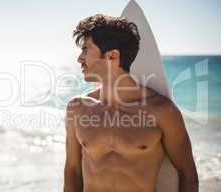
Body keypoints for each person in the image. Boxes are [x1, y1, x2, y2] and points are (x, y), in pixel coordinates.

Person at [63, 14, 198, 192]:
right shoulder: (78, 109)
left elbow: (188, 174)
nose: (80, 58)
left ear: (112, 55)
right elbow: (72, 171)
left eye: (86, 50)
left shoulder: (161, 111)